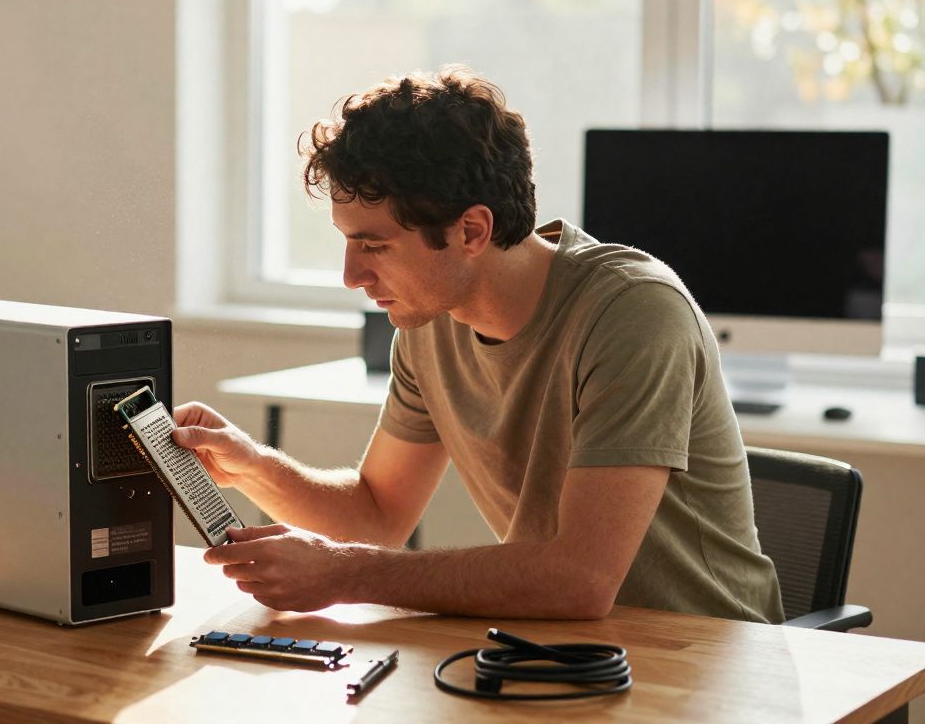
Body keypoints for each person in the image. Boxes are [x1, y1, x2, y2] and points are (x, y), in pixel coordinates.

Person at [173, 65, 783, 623]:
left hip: (707, 658)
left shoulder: (634, 312)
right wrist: (253, 466)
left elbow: (580, 579)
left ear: (471, 230)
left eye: (375, 245)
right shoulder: (428, 320)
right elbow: (377, 513)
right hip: (556, 655)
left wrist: (344, 573)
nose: (352, 276)